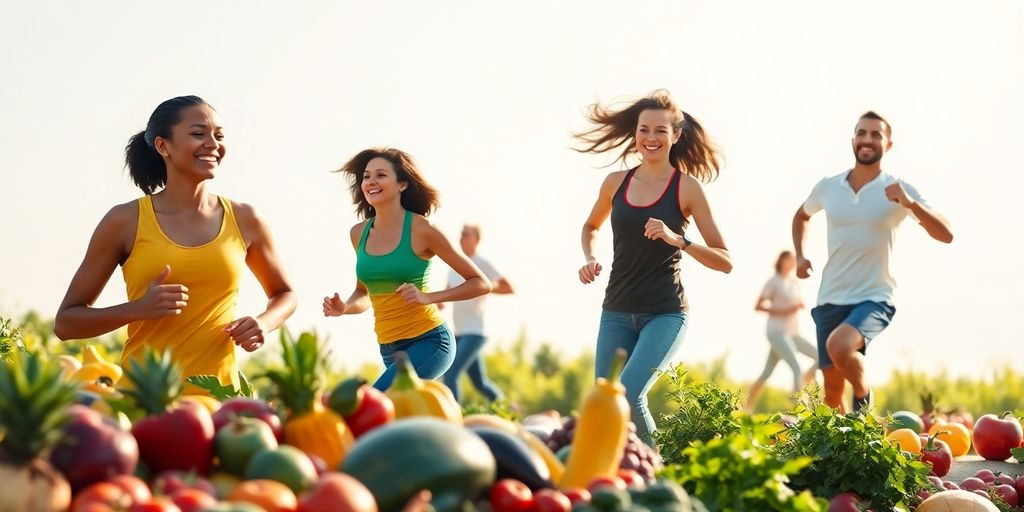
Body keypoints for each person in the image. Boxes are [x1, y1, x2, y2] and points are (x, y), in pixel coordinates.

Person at [55, 96, 297, 394]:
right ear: (163, 146)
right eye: (198, 134)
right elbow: (66, 323)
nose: (213, 143)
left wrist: (264, 322)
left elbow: (285, 294)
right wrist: (138, 309)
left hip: (220, 406)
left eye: (219, 135)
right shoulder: (125, 220)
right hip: (144, 404)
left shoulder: (246, 219)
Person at [576, 90, 732, 444]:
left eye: (660, 131)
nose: (651, 138)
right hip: (615, 310)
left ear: (675, 136)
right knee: (604, 403)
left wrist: (680, 240)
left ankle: (658, 476)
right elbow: (590, 227)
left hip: (665, 313)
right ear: (635, 134)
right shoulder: (615, 183)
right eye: (644, 130)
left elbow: (725, 261)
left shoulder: (687, 189)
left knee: (630, 394)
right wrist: (589, 257)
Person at [792, 111, 953, 412]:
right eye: (862, 133)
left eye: (876, 134)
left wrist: (911, 204)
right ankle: (843, 453)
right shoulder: (828, 186)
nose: (867, 140)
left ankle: (863, 391)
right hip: (829, 296)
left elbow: (945, 234)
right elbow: (802, 215)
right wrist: (800, 255)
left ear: (888, 144)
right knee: (831, 395)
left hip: (874, 297)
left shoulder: (898, 188)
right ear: (853, 139)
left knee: (839, 347)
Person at [322, 148, 491, 391]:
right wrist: (345, 307)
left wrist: (428, 297)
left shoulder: (422, 229)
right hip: (389, 348)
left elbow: (480, 282)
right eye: (367, 176)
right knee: (404, 415)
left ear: (402, 184)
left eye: (380, 175)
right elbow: (363, 292)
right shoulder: (359, 234)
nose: (371, 181)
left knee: (378, 398)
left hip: (430, 341)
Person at [441, 224, 514, 402]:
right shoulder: (454, 265)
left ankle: (454, 421)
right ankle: (509, 408)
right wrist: (436, 302)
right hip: (458, 332)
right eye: (460, 235)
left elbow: (508, 287)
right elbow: (447, 291)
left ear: (477, 239)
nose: (461, 238)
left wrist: (485, 286)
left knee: (451, 373)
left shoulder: (483, 264)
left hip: (475, 331)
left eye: (466, 234)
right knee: (480, 383)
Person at [745, 251, 818, 412]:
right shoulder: (774, 282)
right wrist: (785, 310)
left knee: (820, 357)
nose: (793, 262)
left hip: (793, 333)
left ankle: (746, 407)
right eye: (790, 259)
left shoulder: (793, 282)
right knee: (796, 367)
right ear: (782, 261)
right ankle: (800, 411)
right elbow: (758, 306)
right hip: (777, 333)